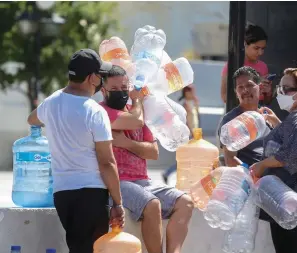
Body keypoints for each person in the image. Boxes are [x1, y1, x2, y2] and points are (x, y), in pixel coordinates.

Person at [27, 49, 124, 253]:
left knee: (78, 247)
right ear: (91, 78)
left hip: (62, 194)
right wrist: (118, 202)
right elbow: (107, 162)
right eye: (100, 76)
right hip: (91, 193)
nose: (101, 81)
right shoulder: (94, 111)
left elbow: (32, 119)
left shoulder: (51, 102)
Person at [99, 65, 194, 253]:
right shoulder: (100, 112)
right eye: (115, 90)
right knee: (152, 204)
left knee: (186, 202)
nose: (121, 93)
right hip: (117, 183)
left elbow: (153, 152)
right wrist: (137, 102)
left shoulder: (138, 110)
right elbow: (136, 121)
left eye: (124, 88)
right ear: (103, 91)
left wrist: (126, 143)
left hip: (143, 181)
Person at [251, 67, 297, 253]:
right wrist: (279, 126)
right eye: (279, 88)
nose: (280, 93)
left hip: (293, 193)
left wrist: (263, 164)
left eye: (286, 89)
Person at [218, 66, 273, 167]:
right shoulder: (231, 120)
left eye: (249, 85)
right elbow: (230, 160)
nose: (245, 90)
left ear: (260, 88)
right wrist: (251, 174)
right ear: (236, 92)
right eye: (240, 87)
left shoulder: (268, 116)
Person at [221, 23, 270, 104]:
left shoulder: (263, 66)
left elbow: (267, 101)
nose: (260, 52)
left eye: (263, 49)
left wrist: (268, 92)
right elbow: (224, 97)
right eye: (256, 48)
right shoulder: (232, 65)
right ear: (245, 44)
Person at [162, 85, 200, 183]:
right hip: (188, 135)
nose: (192, 94)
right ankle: (169, 173)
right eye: (190, 92)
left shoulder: (193, 104)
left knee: (190, 158)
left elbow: (197, 119)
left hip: (194, 134)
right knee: (187, 159)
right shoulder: (184, 105)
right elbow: (185, 121)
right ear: (186, 93)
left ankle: (169, 173)